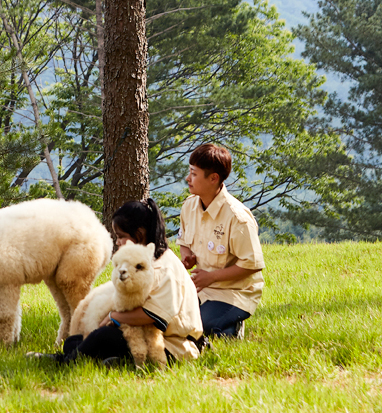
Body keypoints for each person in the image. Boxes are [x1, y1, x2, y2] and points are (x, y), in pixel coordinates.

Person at [32, 197, 203, 365]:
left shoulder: (164, 268)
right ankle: (112, 361)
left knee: (101, 337)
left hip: (172, 346)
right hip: (143, 334)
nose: (117, 242)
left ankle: (65, 362)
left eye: (121, 236)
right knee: (75, 341)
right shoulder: (146, 260)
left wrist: (114, 317)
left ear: (139, 234)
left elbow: (152, 316)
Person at [178, 143, 264, 341]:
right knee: (172, 320)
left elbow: (252, 266)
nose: (187, 179)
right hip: (200, 289)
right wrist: (187, 258)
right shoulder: (189, 206)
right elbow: (183, 241)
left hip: (233, 292)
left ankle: (231, 326)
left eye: (193, 173)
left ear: (213, 178)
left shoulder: (237, 217)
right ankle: (219, 328)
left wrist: (212, 277)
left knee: (201, 326)